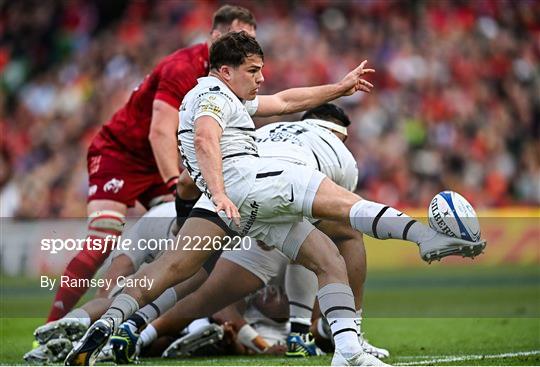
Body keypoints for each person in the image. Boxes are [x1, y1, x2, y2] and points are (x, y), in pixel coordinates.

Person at [67, 32, 485, 367]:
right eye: (253, 70)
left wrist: (338, 88)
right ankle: (424, 237)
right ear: (225, 71)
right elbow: (205, 138)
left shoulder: (224, 97)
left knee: (183, 267)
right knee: (344, 205)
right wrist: (217, 188)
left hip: (232, 203)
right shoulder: (212, 96)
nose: (261, 78)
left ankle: (107, 324)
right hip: (252, 182)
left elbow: (286, 101)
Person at [46, 5, 257, 323]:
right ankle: (54, 324)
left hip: (167, 159)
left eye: (249, 40)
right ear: (214, 36)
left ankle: (130, 318)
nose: (243, 47)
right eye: (236, 37)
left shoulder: (235, 76)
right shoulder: (183, 67)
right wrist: (175, 187)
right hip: (122, 154)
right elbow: (159, 131)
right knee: (105, 236)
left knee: (183, 241)